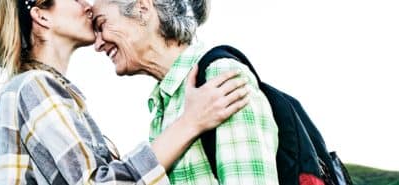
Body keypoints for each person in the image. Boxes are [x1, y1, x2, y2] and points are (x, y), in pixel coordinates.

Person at [0, 0, 249, 184]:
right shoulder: (34, 86)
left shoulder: (48, 90)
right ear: (41, 15)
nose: (87, 7)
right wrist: (190, 123)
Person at [92, 0, 279, 184]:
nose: (97, 44)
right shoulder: (163, 104)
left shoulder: (217, 76)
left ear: (142, 8)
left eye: (101, 24)